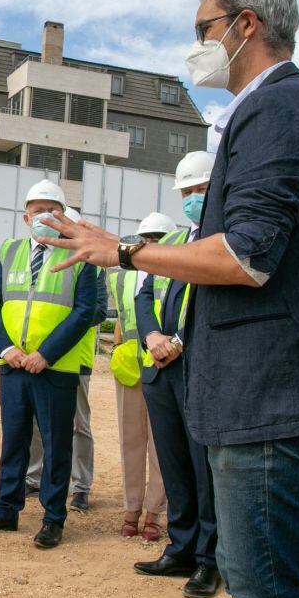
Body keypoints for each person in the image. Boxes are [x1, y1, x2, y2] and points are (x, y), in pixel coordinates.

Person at [36, 0, 299, 598]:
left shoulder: (275, 108)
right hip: (285, 397)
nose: (195, 45)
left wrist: (124, 250)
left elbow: (245, 255)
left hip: (273, 403)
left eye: (204, 29)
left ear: (247, 24)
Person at [0, 179, 97, 550]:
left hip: (54, 368)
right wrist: (6, 348)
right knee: (14, 441)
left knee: (57, 446)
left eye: (51, 210)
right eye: (37, 210)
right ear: (25, 218)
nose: (43, 216)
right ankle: (5, 509)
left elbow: (86, 310)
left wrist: (47, 353)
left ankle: (53, 518)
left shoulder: (80, 254)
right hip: (14, 365)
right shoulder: (8, 252)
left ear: (62, 216)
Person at [132, 152, 220, 598]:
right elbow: (144, 294)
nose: (191, 199)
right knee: (174, 465)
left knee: (204, 468)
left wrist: (179, 342)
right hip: (160, 370)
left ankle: (210, 559)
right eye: (186, 192)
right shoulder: (170, 240)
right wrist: (151, 337)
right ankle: (181, 547)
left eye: (199, 190)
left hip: (198, 369)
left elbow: (214, 305)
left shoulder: (221, 243)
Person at [107, 212, 174, 541]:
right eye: (147, 238)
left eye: (159, 238)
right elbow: (120, 319)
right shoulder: (120, 276)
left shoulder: (176, 273)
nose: (152, 244)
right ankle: (131, 508)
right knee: (131, 442)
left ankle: (153, 512)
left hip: (167, 365)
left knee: (161, 446)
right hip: (130, 367)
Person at [23, 258, 106, 513]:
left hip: (74, 359)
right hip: (40, 356)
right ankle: (33, 478)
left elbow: (98, 309)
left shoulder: (92, 267)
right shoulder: (45, 262)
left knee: (79, 424)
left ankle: (80, 486)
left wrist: (71, 316)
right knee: (37, 421)